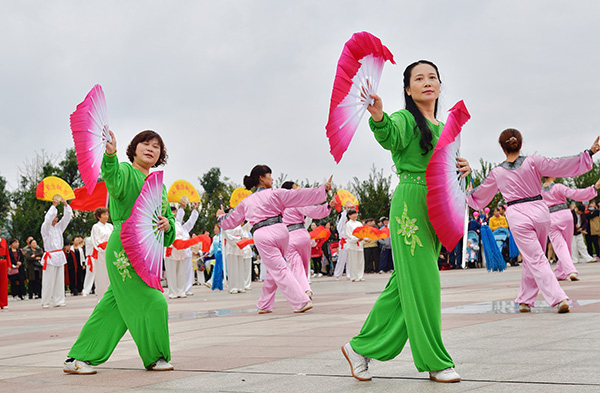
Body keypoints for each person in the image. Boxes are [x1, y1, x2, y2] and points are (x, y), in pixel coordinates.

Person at [342, 60, 470, 383]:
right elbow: (389, 135)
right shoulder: (404, 119)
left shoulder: (444, 129)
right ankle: (435, 360)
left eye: (433, 77)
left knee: (405, 286)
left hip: (436, 207)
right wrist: (378, 117)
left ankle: (359, 348)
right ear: (408, 89)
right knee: (425, 282)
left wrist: (465, 171)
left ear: (440, 86)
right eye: (419, 78)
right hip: (410, 205)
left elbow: (450, 173)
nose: (427, 82)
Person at [64, 129, 176, 374]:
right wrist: (111, 154)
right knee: (155, 300)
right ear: (134, 149)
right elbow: (112, 182)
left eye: (156, 146)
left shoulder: (159, 186)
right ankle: (155, 356)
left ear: (161, 154)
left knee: (114, 306)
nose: (150, 149)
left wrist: (168, 224)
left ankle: (78, 359)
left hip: (149, 250)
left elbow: (168, 224)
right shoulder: (125, 171)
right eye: (145, 144)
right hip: (125, 247)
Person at [466, 128, 599, 314]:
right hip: (540, 210)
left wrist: (468, 192)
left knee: (535, 257)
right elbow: (560, 164)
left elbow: (480, 195)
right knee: (533, 256)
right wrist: (589, 153)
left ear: (503, 149)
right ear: (520, 144)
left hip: (517, 214)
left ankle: (558, 297)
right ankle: (525, 300)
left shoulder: (497, 172)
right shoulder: (533, 162)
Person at [217, 165, 332, 313]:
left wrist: (220, 217)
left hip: (263, 234)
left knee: (278, 268)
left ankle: (301, 301)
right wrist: (322, 190)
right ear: (261, 178)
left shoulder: (247, 202)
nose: (272, 178)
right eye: (269, 175)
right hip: (281, 231)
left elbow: (231, 220)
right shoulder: (275, 193)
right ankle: (264, 304)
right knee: (274, 270)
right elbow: (299, 195)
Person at [542, 177, 599, 281]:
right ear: (553, 175)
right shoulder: (558, 187)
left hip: (550, 217)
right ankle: (568, 271)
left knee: (560, 246)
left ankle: (563, 271)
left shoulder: (539, 190)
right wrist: (594, 188)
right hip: (565, 215)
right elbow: (575, 194)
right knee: (566, 246)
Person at [40, 196, 72, 308]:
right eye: (53, 216)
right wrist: (53, 205)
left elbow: (67, 218)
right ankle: (46, 301)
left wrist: (65, 205)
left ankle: (59, 300)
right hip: (50, 255)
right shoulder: (45, 228)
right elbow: (47, 219)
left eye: (56, 217)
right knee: (49, 280)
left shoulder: (59, 227)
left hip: (59, 255)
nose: (55, 219)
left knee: (59, 279)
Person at [84, 207, 114, 299]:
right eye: (104, 214)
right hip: (101, 254)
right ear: (98, 216)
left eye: (107, 214)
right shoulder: (96, 227)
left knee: (111, 276)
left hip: (111, 252)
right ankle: (102, 297)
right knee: (102, 277)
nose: (106, 216)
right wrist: (105, 247)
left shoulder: (110, 226)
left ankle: (112, 296)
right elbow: (96, 242)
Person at [175, 199, 199, 296]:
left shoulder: (185, 228)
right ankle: (180, 290)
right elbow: (178, 219)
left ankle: (188, 289)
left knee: (188, 272)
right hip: (178, 254)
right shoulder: (175, 227)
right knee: (180, 273)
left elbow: (191, 221)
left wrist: (195, 209)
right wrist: (182, 207)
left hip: (187, 253)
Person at [165, 206, 188, 298]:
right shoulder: (166, 223)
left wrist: (181, 242)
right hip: (171, 250)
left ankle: (181, 291)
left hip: (180, 250)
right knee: (171, 272)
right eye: (172, 212)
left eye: (175, 212)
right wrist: (174, 243)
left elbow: (183, 235)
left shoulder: (178, 224)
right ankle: (173, 292)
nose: (173, 214)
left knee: (181, 272)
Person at [345, 209, 365, 281]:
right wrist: (356, 239)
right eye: (353, 214)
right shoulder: (348, 224)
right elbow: (348, 235)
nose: (355, 215)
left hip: (360, 244)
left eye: (355, 214)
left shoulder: (359, 223)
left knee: (360, 261)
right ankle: (354, 276)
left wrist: (365, 239)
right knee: (353, 261)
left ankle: (360, 276)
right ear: (349, 216)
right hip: (352, 245)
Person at [0, 238, 8, 309]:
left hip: (3, 261)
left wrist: (9, 265)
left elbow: (7, 253)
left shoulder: (3, 240)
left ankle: (4, 303)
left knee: (4, 282)